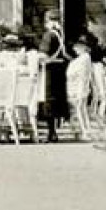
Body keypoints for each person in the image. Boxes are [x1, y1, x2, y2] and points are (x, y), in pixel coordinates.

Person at [38, 12, 70, 142]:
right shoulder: (60, 35)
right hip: (60, 71)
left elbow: (44, 55)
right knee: (57, 99)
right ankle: (54, 131)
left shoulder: (49, 35)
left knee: (49, 100)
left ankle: (51, 132)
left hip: (50, 71)